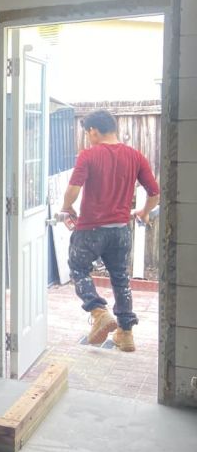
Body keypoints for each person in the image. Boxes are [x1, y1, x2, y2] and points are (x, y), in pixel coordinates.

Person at [61, 109, 160, 352]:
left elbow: (74, 188)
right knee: (120, 279)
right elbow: (155, 193)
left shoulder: (88, 155)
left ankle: (98, 312)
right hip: (120, 230)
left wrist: (66, 206)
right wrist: (144, 211)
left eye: (88, 133)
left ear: (93, 131)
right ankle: (125, 334)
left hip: (91, 229)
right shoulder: (135, 156)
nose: (89, 138)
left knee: (78, 268)